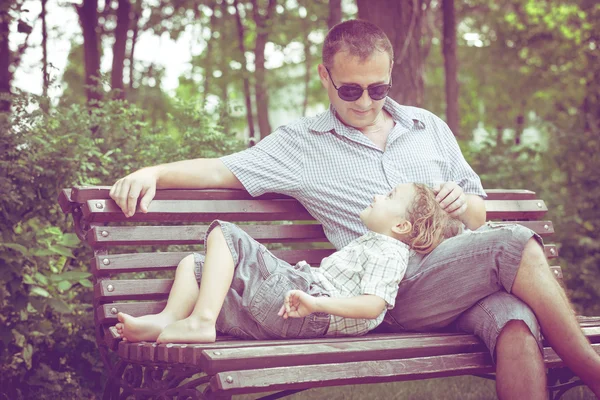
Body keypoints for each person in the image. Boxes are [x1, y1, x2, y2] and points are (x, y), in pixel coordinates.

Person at [109, 19, 600, 399]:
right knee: (514, 242)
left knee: (515, 319)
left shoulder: (427, 127)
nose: (365, 102)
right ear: (325, 77)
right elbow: (222, 169)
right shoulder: (302, 144)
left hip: (461, 281)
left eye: (378, 88)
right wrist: (155, 172)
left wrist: (466, 204)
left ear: (390, 77)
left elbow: (477, 212)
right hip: (391, 294)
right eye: (350, 89)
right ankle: (593, 371)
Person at [115, 183, 462, 343]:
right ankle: (168, 321)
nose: (376, 195)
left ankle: (201, 321)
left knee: (226, 233)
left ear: (400, 226)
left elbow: (373, 306)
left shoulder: (389, 251)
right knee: (198, 266)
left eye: (388, 197)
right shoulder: (378, 243)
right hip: (287, 316)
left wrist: (316, 302)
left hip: (306, 306)